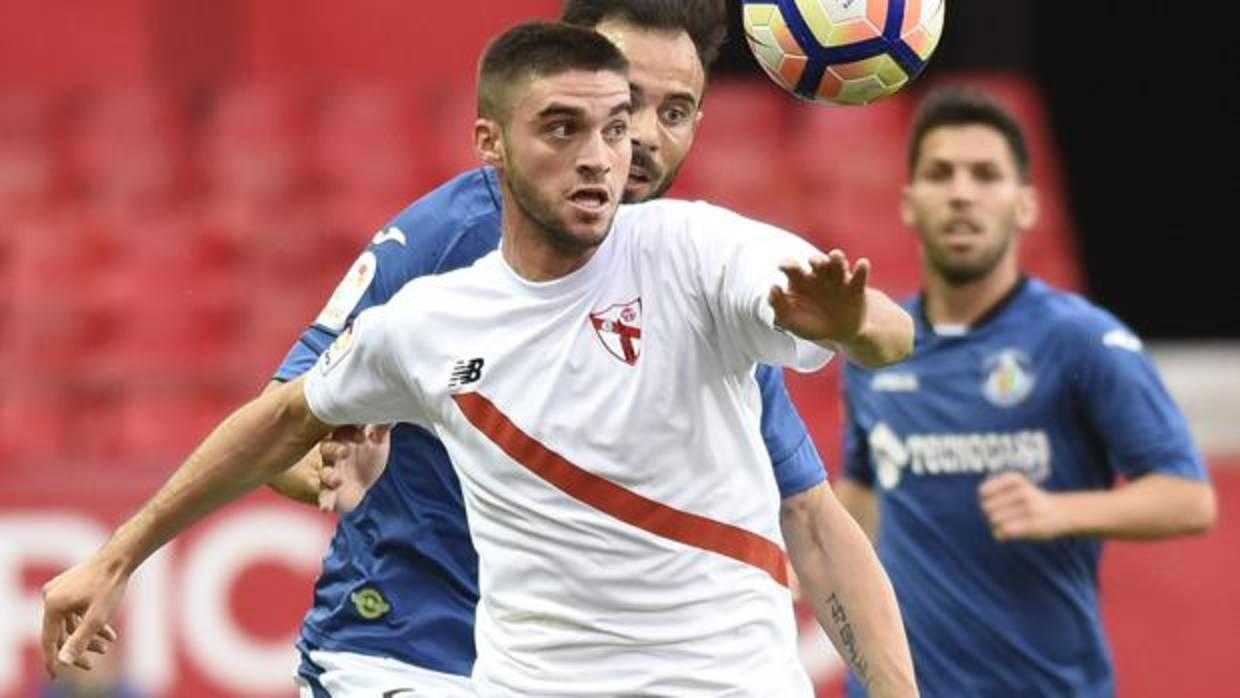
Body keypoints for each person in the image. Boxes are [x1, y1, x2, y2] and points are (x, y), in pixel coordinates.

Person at [42, 21, 919, 698]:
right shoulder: (432, 305)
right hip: (416, 651)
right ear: (490, 143)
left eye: (628, 126)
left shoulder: (697, 254)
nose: (609, 155)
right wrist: (118, 556)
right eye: (566, 128)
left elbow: (882, 342)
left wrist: (852, 326)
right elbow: (281, 419)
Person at [262, 1, 888, 696]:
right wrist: (326, 468)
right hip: (405, 649)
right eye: (626, 100)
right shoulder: (446, 239)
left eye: (672, 111)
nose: (643, 136)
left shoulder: (691, 274)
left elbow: (808, 513)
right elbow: (282, 425)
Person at [835, 86, 1217, 698]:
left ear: (1026, 205)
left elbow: (1190, 498)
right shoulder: (876, 346)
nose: (961, 192)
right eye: (940, 174)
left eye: (986, 175)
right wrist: (813, 553)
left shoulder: (1080, 340)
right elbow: (864, 481)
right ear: (908, 203)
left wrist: (1061, 511)